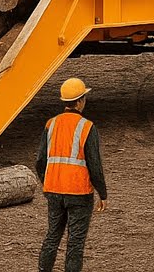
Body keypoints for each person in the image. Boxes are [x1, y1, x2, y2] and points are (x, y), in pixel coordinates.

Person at [36, 77, 108, 272]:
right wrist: (102, 193)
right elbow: (94, 165)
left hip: (53, 190)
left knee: (52, 236)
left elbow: (40, 161)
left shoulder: (50, 124)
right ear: (79, 101)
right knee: (75, 243)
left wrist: (47, 183)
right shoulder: (87, 127)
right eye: (84, 98)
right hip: (79, 193)